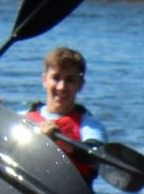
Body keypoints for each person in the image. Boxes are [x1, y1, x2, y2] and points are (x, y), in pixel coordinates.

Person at [25, 46, 105, 183]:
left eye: (69, 80)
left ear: (80, 84)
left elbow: (95, 157)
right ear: (44, 80)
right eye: (55, 78)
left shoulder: (90, 126)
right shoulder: (23, 118)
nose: (61, 87)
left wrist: (58, 140)